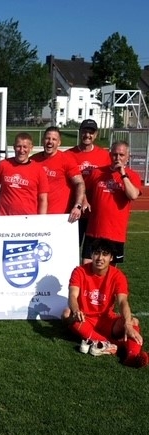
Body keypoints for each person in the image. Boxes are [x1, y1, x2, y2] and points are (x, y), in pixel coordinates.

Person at [62, 238, 148, 368]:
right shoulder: (79, 271)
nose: (100, 258)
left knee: (133, 321)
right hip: (84, 318)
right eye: (96, 253)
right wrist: (76, 310)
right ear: (91, 255)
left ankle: (131, 357)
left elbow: (122, 301)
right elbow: (72, 296)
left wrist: (128, 324)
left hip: (106, 320)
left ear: (111, 258)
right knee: (67, 314)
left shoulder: (118, 276)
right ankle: (118, 345)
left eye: (105, 254)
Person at [81, 141, 141, 264]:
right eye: (114, 154)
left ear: (127, 157)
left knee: (110, 271)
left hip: (115, 233)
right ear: (110, 155)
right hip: (94, 231)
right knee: (87, 266)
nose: (117, 158)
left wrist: (123, 175)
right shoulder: (97, 172)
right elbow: (82, 188)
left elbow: (133, 195)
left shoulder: (133, 175)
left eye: (121, 155)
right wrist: (84, 200)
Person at [66, 119, 110, 244]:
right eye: (84, 131)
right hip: (74, 210)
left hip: (96, 211)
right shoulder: (68, 155)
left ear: (96, 135)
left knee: (92, 251)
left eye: (91, 132)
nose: (87, 135)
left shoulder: (105, 155)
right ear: (80, 132)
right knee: (72, 248)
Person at [30, 126, 85, 223]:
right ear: (42, 140)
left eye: (54, 139)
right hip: (35, 214)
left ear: (59, 143)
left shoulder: (66, 159)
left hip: (59, 217)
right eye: (47, 138)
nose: (50, 142)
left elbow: (79, 183)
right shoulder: (34, 160)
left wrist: (78, 206)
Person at [0, 132, 49, 215]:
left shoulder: (39, 170)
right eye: (19, 146)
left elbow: (43, 198)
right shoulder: (3, 165)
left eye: (25, 147)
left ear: (31, 148)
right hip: (5, 217)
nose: (21, 150)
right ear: (14, 147)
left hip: (28, 218)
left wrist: (41, 219)